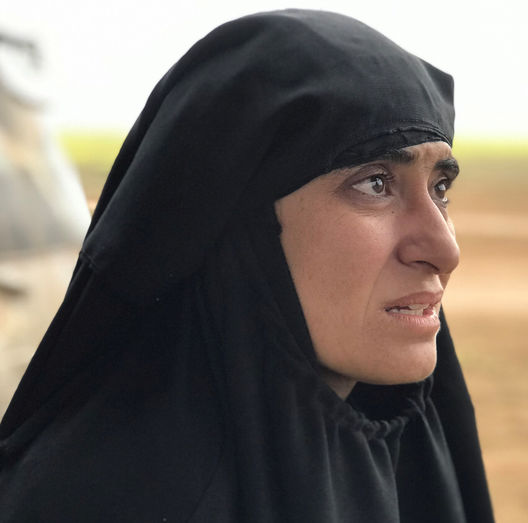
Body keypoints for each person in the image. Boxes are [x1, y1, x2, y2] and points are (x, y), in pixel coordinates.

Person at [0, 10, 493, 522]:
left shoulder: (407, 443)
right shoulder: (111, 499)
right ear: (237, 226)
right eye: (375, 183)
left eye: (441, 188)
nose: (444, 249)